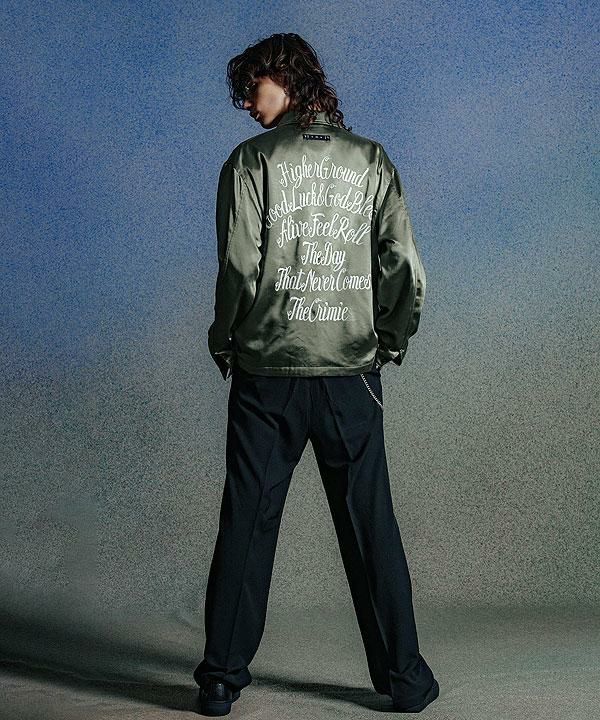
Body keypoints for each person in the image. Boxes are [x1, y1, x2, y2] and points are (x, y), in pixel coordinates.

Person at [194, 32, 439, 716]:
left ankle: (220, 680)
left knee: (248, 520)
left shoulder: (250, 162)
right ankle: (405, 680)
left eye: (254, 88)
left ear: (287, 78)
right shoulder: (372, 160)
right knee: (369, 523)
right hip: (350, 372)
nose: (248, 104)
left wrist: (225, 340)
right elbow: (403, 265)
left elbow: (239, 265)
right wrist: (389, 339)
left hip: (266, 371)